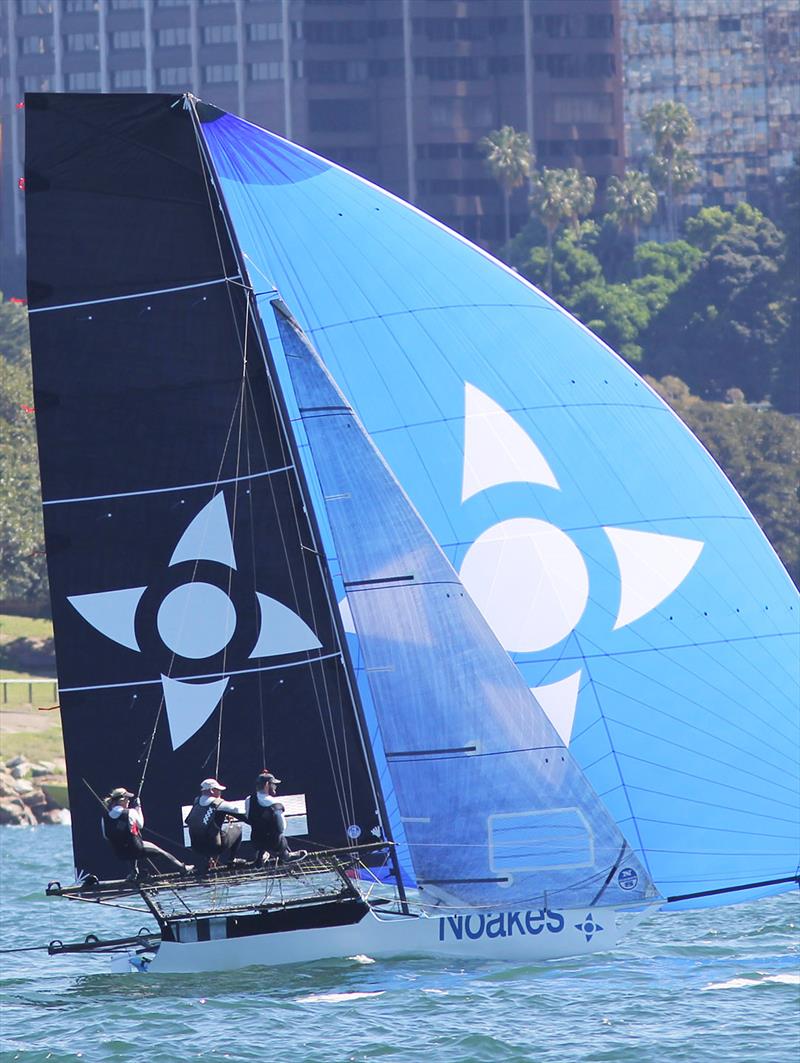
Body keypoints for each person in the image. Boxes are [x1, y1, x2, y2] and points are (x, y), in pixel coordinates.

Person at [101, 787, 191, 878]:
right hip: (136, 848)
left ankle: (133, 873)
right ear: (122, 800)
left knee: (127, 845)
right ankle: (182, 868)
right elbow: (141, 825)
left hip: (120, 853)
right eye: (127, 799)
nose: (129, 801)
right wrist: (138, 807)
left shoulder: (104, 817)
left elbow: (106, 836)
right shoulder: (130, 812)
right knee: (160, 852)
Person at [185, 778, 247, 874]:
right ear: (212, 790)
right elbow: (240, 812)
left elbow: (205, 818)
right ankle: (231, 860)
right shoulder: (219, 803)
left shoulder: (196, 801)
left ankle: (208, 860)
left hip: (197, 848)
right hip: (215, 848)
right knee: (238, 827)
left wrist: (223, 814)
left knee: (205, 831)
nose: (220, 793)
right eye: (218, 790)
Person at [245, 771, 307, 866]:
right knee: (279, 835)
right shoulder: (274, 803)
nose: (275, 787)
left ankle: (260, 857)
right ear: (267, 785)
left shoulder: (248, 800)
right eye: (273, 784)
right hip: (274, 842)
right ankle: (286, 856)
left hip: (255, 840)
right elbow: (282, 827)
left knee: (261, 832)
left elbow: (249, 818)